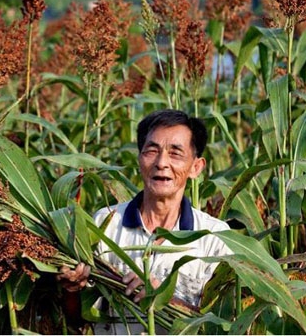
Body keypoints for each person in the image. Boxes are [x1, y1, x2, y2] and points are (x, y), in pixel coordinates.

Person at [57, 109, 231, 334]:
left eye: (175, 153)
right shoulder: (105, 224)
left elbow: (223, 326)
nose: (161, 163)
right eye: (152, 150)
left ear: (196, 167)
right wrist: (71, 288)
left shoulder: (214, 239)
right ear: (139, 158)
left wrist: (164, 298)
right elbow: (77, 318)